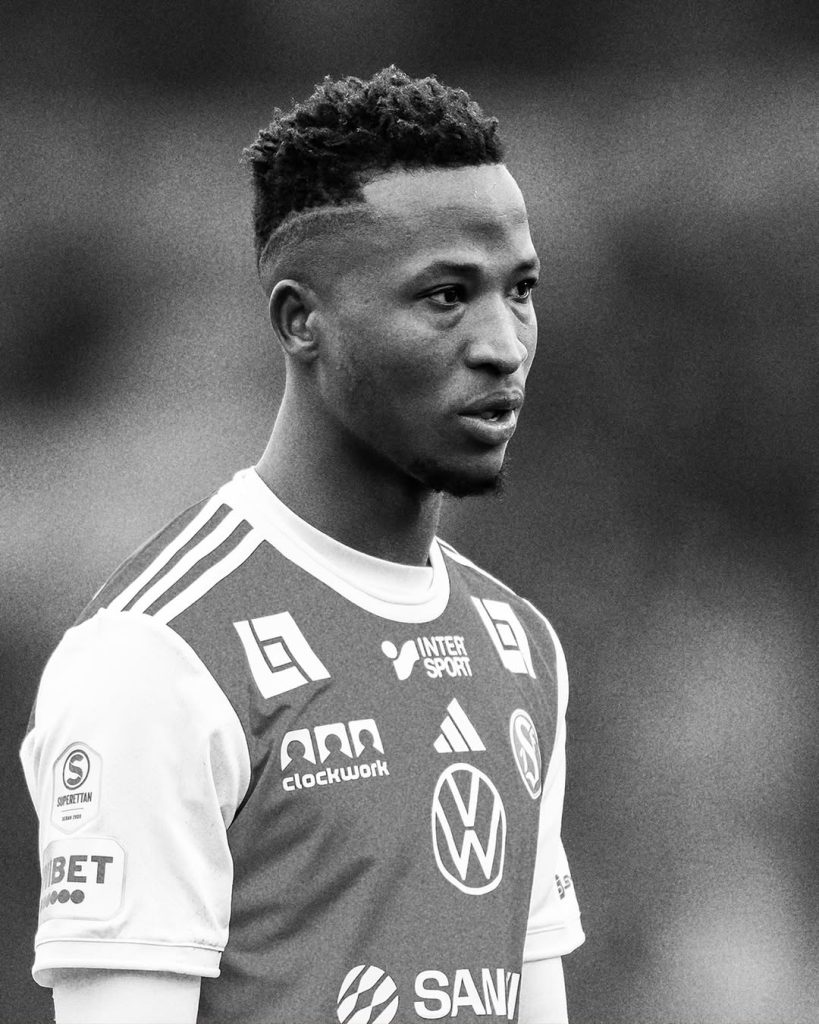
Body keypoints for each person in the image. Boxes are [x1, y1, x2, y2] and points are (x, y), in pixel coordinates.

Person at [21, 67, 584, 1024]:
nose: (503, 343)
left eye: (519, 290)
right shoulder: (156, 658)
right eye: (446, 296)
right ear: (300, 321)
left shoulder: (519, 646)